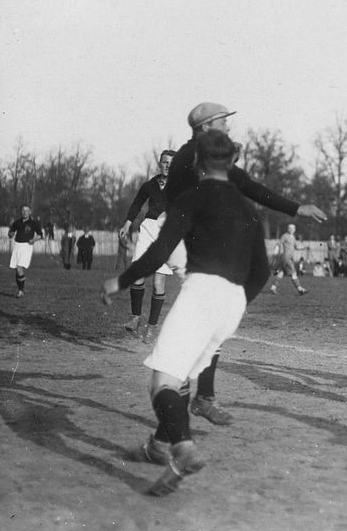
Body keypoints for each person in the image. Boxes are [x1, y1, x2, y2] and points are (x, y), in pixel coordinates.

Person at [101, 129, 269, 496]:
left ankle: (184, 449)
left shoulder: (192, 197)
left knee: (162, 382)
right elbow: (262, 272)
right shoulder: (249, 209)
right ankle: (159, 447)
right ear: (232, 162)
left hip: (202, 295)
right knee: (182, 377)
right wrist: (236, 302)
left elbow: (159, 253)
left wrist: (120, 282)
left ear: (196, 161)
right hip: (233, 303)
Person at [164, 102, 328, 427]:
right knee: (199, 324)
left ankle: (201, 395)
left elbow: (248, 186)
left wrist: (296, 208)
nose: (228, 127)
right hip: (183, 243)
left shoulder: (207, 154)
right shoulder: (189, 156)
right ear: (205, 126)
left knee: (250, 280)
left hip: (201, 242)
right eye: (223, 122)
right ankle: (177, 414)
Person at [119, 150, 182, 340]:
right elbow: (137, 204)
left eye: (171, 163)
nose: (167, 166)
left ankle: (152, 327)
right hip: (148, 229)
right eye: (165, 162)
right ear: (159, 163)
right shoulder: (149, 185)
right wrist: (127, 224)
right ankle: (135, 318)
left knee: (158, 282)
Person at [7, 205, 43, 298]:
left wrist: (34, 240)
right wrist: (10, 234)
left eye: (27, 210)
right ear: (20, 212)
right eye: (23, 210)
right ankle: (21, 290)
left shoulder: (33, 223)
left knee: (19, 268)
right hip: (17, 245)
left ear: (30, 212)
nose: (25, 212)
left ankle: (21, 291)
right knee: (16, 269)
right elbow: (10, 233)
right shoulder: (16, 222)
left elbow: (40, 235)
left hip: (27, 246)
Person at [270, 223, 307, 295]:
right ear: (288, 229)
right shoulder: (284, 236)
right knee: (294, 273)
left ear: (295, 229)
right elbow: (279, 244)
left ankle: (273, 287)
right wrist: (275, 253)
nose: (291, 229)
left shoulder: (293, 237)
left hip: (289, 257)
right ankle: (300, 289)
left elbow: (296, 247)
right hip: (286, 257)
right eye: (290, 228)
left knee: (281, 273)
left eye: (293, 228)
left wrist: (304, 247)